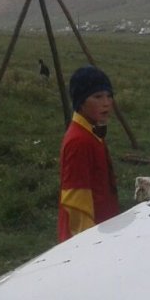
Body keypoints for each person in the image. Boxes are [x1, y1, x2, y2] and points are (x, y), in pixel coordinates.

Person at [58, 65, 120, 242]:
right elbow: (76, 201)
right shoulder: (79, 141)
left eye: (109, 96)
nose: (106, 102)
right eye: (97, 96)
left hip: (104, 227)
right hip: (88, 237)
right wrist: (89, 243)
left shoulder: (92, 131)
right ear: (81, 101)